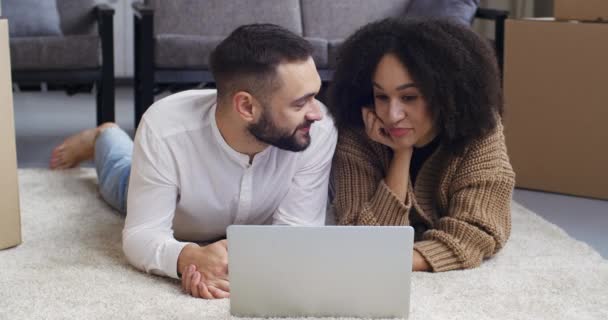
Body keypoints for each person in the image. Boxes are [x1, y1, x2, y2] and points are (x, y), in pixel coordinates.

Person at [49, 24, 337, 299]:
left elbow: (298, 235)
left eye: (314, 96)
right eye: (300, 103)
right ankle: (104, 135)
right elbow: (141, 235)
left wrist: (236, 262)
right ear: (246, 106)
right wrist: (187, 257)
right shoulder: (166, 128)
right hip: (176, 209)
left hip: (228, 216)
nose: (316, 113)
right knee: (120, 178)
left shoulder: (316, 130)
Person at [328, 18, 515, 272]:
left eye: (409, 97)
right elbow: (362, 236)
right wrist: (401, 153)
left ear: (445, 94)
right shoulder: (359, 131)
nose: (392, 115)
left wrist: (392, 261)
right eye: (382, 96)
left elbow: (477, 232)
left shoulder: (479, 130)